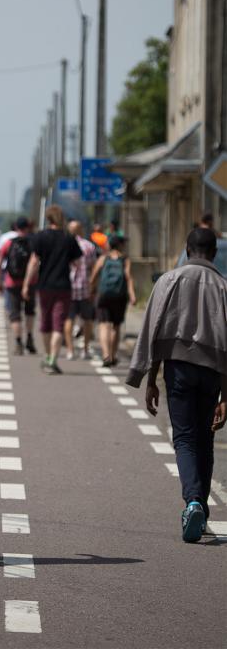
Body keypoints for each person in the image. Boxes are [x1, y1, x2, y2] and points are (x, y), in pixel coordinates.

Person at [126, 228, 227, 542]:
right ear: (212, 252)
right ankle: (202, 506)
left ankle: (193, 500)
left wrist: (149, 376)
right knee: (205, 438)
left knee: (183, 438)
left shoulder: (168, 280)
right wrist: (226, 395)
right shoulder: (224, 287)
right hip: (212, 372)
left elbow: (152, 329)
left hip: (178, 368)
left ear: (187, 249)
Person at [22, 205, 82, 374]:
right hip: (63, 286)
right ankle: (53, 359)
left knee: (45, 323)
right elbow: (77, 263)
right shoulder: (69, 238)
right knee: (58, 325)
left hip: (44, 286)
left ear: (48, 219)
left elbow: (34, 262)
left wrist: (26, 284)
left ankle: (48, 355)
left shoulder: (40, 237)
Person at [90, 234, 136, 367]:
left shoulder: (104, 258)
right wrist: (132, 295)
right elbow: (128, 277)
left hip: (104, 295)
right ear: (121, 245)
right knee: (116, 326)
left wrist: (91, 290)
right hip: (119, 296)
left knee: (104, 325)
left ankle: (105, 355)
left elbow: (93, 276)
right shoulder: (125, 260)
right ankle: (113, 355)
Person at [0, 216, 37, 355]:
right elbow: (36, 262)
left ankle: (18, 342)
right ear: (27, 227)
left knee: (15, 314)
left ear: (16, 227)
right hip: (30, 282)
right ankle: (30, 338)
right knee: (29, 311)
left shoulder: (8, 243)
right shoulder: (33, 242)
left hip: (12, 282)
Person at [63, 220, 97, 360]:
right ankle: (85, 349)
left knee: (69, 319)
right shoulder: (89, 246)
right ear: (81, 230)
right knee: (87, 319)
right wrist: (93, 287)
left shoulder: (64, 245)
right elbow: (94, 267)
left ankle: (70, 350)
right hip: (85, 287)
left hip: (69, 287)